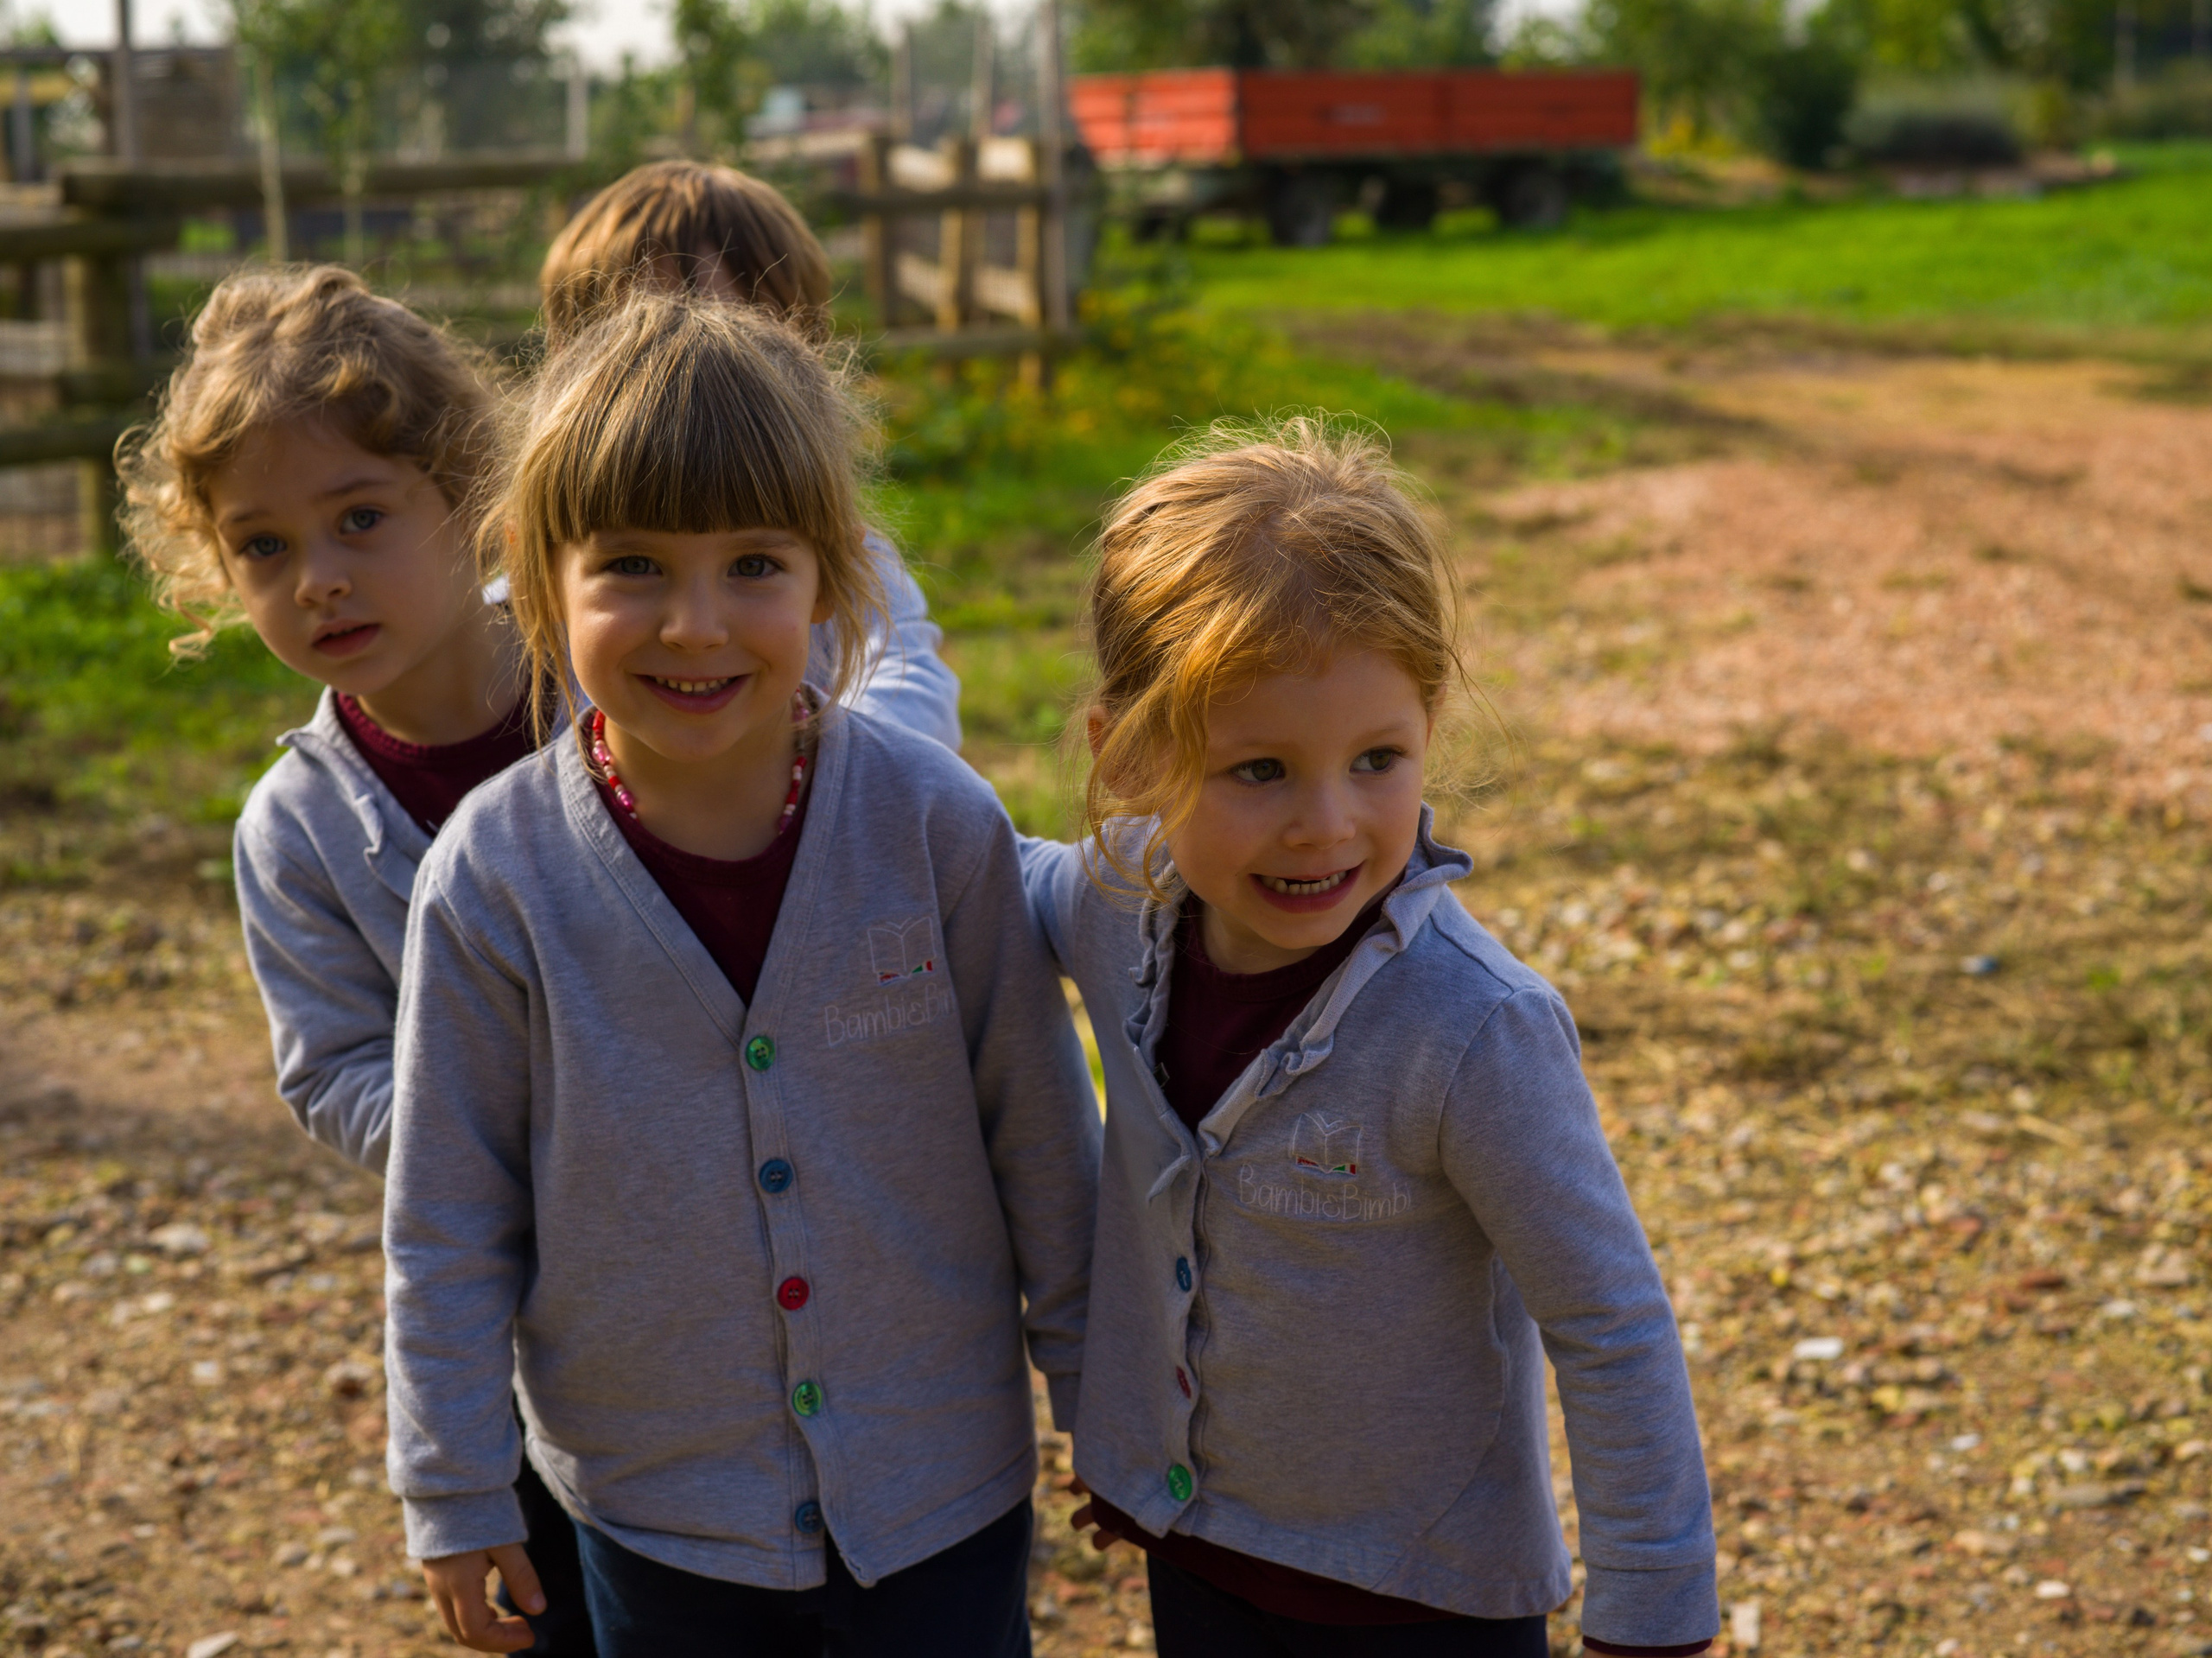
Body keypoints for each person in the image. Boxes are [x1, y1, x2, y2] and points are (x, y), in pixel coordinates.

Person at [382, 291, 1099, 1657]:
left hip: (938, 1482)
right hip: (660, 1507)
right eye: (634, 566)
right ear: (541, 584)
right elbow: (448, 1216)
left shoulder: (936, 826)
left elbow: (1046, 1145)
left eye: (754, 564)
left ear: (833, 579)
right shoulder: (492, 876)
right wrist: (457, 1483)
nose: (695, 624)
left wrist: (1094, 1393)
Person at [1020, 419, 1719, 1657]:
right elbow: (970, 869)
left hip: (1428, 1595)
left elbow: (1610, 1320)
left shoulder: (1475, 1030)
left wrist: (1651, 1612)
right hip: (1203, 1554)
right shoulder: (1115, 909)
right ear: (1130, 753)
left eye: (1378, 758)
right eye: (1260, 770)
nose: (1326, 823)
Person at [116, 266, 602, 1656]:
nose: (317, 576)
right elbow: (327, 1065)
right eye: (261, 547)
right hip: (513, 1295)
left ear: (468, 496)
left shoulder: (607, 694)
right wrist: (481, 1124)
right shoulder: (300, 830)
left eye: (360, 518)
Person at [538, 157, 961, 750]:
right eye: (642, 339)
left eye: (744, 340)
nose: (698, 372)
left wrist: (795, 781)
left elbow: (910, 688)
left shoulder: (836, 555)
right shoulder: (546, 572)